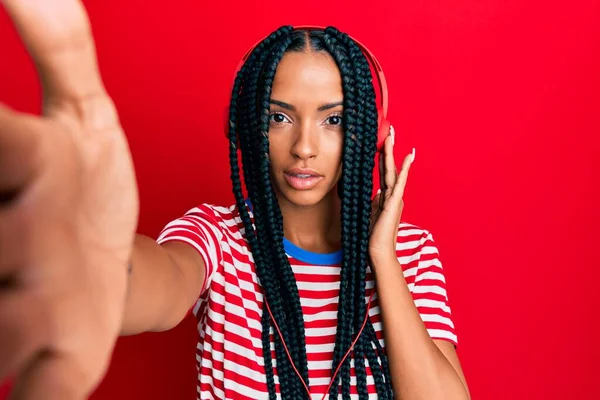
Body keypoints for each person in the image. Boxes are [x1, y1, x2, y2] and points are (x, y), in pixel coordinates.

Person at [0, 1, 470, 399]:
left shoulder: (410, 252)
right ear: (245, 127)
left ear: (372, 135)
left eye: (333, 121)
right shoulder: (218, 238)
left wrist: (381, 258)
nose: (304, 146)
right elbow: (161, 281)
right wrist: (99, 266)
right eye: (279, 117)